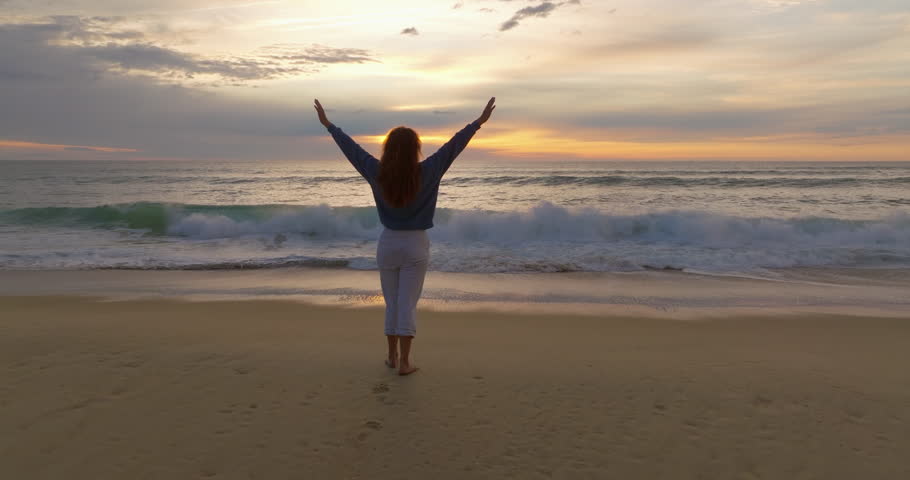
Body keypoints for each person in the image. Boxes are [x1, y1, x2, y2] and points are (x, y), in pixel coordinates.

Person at [314, 97, 496, 376]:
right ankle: (405, 362)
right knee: (407, 304)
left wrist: (329, 126)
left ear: (388, 149)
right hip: (415, 244)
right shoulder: (429, 171)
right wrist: (478, 123)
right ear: (415, 150)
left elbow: (352, 150)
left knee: (392, 302)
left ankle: (390, 356)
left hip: (387, 242)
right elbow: (453, 147)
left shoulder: (377, 172)